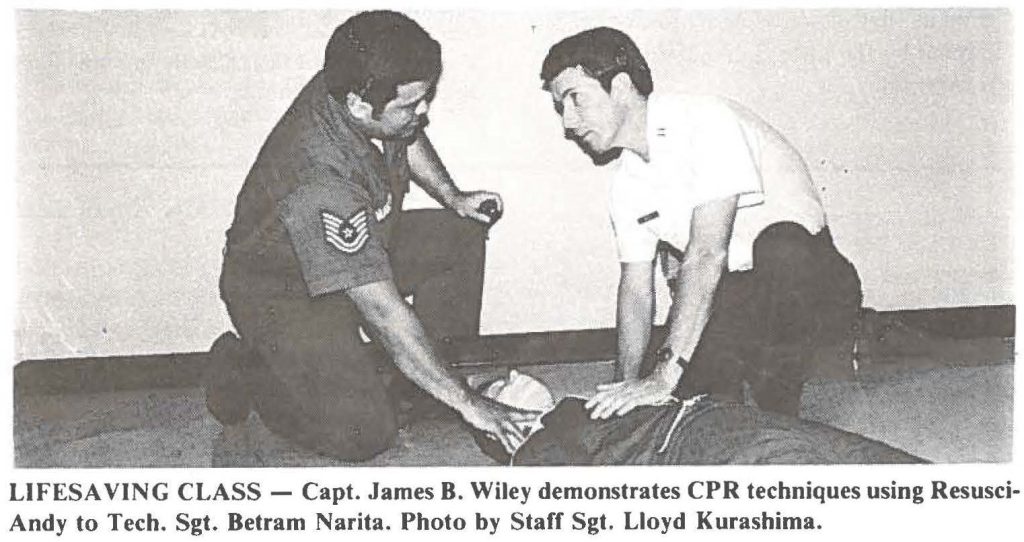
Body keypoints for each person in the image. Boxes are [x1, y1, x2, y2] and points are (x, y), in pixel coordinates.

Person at [204, 10, 535, 461]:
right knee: (363, 434)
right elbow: (382, 310)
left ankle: (428, 381)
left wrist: (452, 196)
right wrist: (473, 406)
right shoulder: (318, 179)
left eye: (426, 98)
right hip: (284, 291)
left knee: (460, 233)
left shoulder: (358, 85)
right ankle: (246, 366)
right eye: (412, 104)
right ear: (361, 105)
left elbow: (404, 131)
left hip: (364, 238)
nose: (424, 113)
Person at [539, 28, 863, 419]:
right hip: (737, 295)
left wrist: (663, 375)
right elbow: (636, 292)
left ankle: (788, 394)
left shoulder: (705, 119)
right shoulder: (626, 183)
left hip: (814, 287)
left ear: (621, 86)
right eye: (561, 108)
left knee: (781, 247)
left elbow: (707, 253)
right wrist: (625, 387)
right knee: (690, 398)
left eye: (575, 99)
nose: (568, 123)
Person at [474, 371, 924, 465]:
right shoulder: (535, 449)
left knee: (868, 459)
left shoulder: (572, 409)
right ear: (503, 433)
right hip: (684, 447)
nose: (514, 373)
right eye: (498, 387)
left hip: (715, 413)